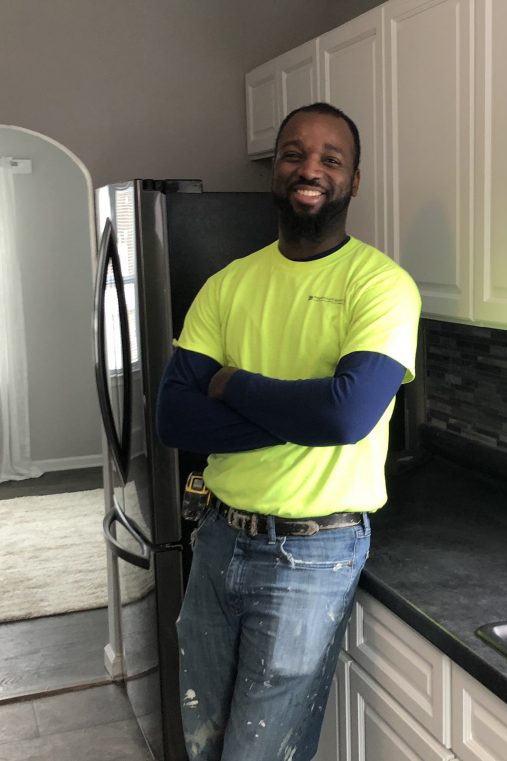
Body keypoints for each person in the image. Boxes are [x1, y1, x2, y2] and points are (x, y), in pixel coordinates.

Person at [156, 102, 421, 761]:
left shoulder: (381, 285)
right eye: (294, 154)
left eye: (332, 158)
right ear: (275, 168)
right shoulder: (228, 284)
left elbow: (345, 417)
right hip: (217, 537)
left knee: (257, 754)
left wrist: (232, 384)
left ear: (354, 179)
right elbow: (173, 418)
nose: (311, 168)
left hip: (313, 553)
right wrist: (302, 413)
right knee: (201, 741)